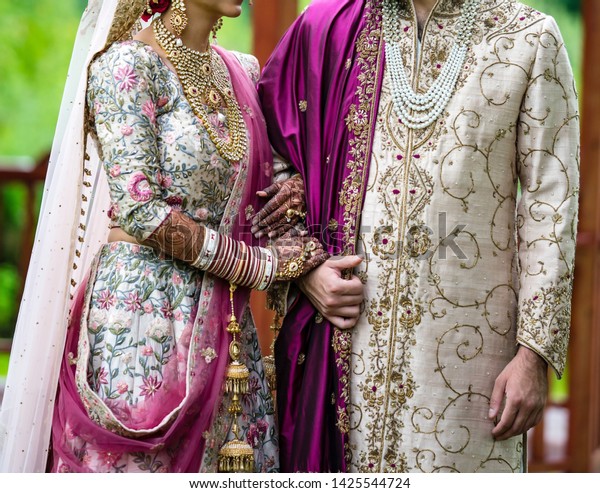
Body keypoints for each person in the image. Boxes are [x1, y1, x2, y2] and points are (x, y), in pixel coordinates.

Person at [0, 0, 326, 473]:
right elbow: (141, 210)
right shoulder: (126, 66)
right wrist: (261, 266)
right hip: (142, 325)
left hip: (228, 330)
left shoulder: (243, 71)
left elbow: (270, 179)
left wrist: (293, 191)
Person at [256, 0, 580, 472]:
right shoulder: (325, 29)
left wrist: (533, 356)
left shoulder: (529, 37)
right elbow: (268, 159)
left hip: (473, 369)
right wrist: (306, 267)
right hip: (344, 354)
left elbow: (551, 206)